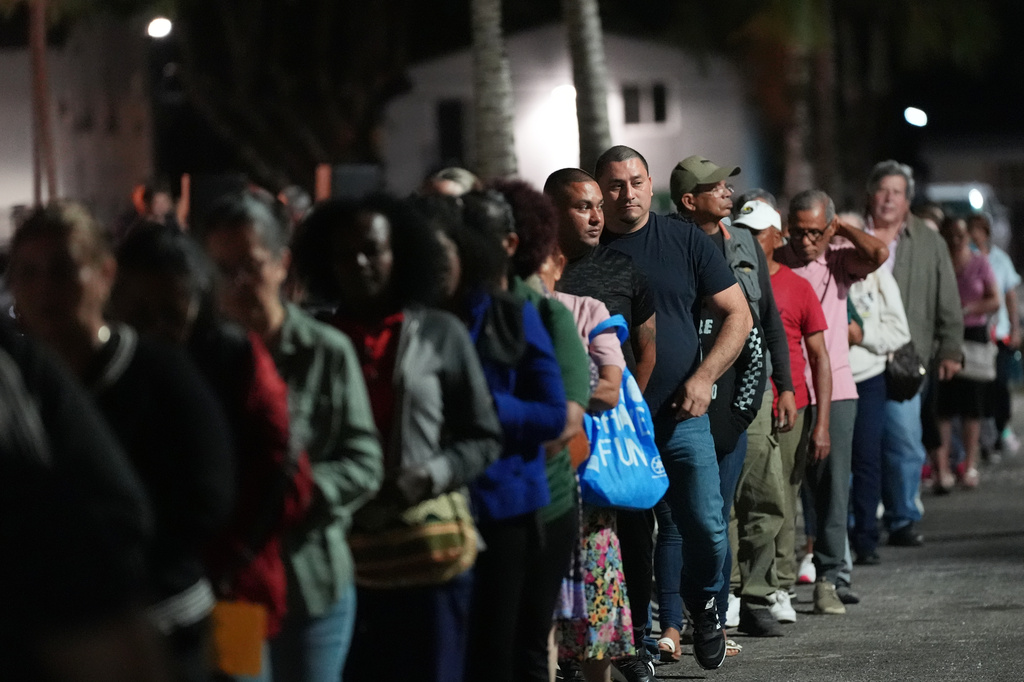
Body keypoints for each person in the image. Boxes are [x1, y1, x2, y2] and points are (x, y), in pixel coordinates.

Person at [7, 201, 236, 682]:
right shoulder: (22, 387)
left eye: (64, 270)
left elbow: (208, 493)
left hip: (171, 622)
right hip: (66, 636)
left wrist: (115, 570)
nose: (45, 290)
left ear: (105, 274)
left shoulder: (159, 371)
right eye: (28, 273)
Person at [292, 195, 502, 682]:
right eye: (344, 254)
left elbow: (484, 436)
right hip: (339, 558)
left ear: (400, 253)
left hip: (429, 559)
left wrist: (430, 475)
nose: (359, 264)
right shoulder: (313, 340)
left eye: (372, 249)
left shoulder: (440, 333)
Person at [110, 224, 315, 679]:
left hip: (230, 591)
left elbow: (286, 476)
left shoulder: (233, 357)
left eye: (170, 313)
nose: (154, 328)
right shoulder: (102, 366)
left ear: (199, 302)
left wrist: (219, 556)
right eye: (139, 312)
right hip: (127, 607)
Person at [198, 193, 384, 682]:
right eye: (222, 269)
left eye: (250, 265)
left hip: (312, 582)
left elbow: (364, 460)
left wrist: (295, 495)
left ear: (281, 264)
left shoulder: (325, 351)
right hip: (232, 587)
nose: (238, 283)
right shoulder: (197, 361)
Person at [595, 145, 752, 671]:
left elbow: (739, 315)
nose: (627, 193)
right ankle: (638, 639)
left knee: (707, 524)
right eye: (615, 185)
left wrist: (705, 377)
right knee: (631, 535)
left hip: (683, 415)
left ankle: (706, 607)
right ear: (599, 190)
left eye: (636, 181)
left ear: (651, 184)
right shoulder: (585, 250)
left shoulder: (683, 239)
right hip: (618, 425)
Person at [669, 156, 794, 639]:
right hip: (697, 389)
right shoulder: (677, 245)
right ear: (689, 200)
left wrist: (782, 386)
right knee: (705, 511)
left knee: (759, 494)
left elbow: (768, 323)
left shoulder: (743, 242)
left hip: (751, 386)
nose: (728, 192)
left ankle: (754, 597)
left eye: (727, 185)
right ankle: (707, 611)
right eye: (715, 186)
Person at [543, 167, 659, 679]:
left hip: (607, 441)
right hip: (551, 454)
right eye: (582, 206)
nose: (596, 216)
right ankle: (565, 655)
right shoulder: (538, 279)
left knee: (625, 540)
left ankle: (630, 643)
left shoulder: (618, 273)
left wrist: (632, 413)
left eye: (598, 205)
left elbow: (643, 350)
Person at [775, 189, 888, 615]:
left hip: (834, 390)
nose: (806, 241)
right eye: (798, 232)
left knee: (832, 489)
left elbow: (877, 254)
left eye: (815, 232)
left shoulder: (838, 259)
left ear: (830, 227)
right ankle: (778, 579)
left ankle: (829, 578)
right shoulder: (777, 259)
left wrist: (840, 230)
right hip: (785, 387)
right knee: (782, 488)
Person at [536, 249, 632, 682]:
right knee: (540, 610)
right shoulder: (502, 311)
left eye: (540, 263)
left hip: (585, 479)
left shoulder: (585, 309)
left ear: (558, 262)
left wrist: (565, 402)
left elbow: (613, 388)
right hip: (531, 479)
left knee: (596, 600)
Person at [863, 160, 963, 547]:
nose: (889, 198)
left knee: (904, 439)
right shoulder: (852, 234)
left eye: (897, 192)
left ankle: (903, 516)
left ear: (907, 200)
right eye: (882, 190)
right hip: (860, 355)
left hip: (908, 359)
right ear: (871, 194)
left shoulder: (928, 241)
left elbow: (948, 300)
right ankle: (863, 519)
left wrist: (951, 348)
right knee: (863, 442)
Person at [745, 201, 832, 621]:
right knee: (745, 499)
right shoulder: (728, 279)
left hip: (790, 404)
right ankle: (744, 586)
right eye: (743, 231)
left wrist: (822, 422)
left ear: (777, 237)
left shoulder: (797, 287)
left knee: (783, 496)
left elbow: (820, 357)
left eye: (758, 233)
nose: (749, 240)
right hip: (743, 402)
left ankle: (778, 584)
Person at [844, 216, 914, 564]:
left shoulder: (878, 276)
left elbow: (899, 333)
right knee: (832, 465)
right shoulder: (821, 272)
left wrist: (862, 337)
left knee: (867, 460)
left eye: (852, 237)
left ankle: (866, 539)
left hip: (869, 378)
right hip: (830, 379)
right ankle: (834, 542)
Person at [933, 217, 1000, 490]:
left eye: (961, 237)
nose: (957, 242)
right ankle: (942, 468)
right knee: (943, 407)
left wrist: (970, 308)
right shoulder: (939, 262)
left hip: (972, 334)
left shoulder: (979, 262)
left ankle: (969, 465)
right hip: (945, 334)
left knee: (972, 407)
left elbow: (994, 298)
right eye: (951, 237)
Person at [967, 213, 1022, 458]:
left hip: (997, 333)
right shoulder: (966, 260)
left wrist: (1015, 327)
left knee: (999, 383)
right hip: (974, 332)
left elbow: (1010, 295)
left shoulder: (1000, 260)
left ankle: (1002, 428)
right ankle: (984, 437)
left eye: (978, 232)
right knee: (980, 386)